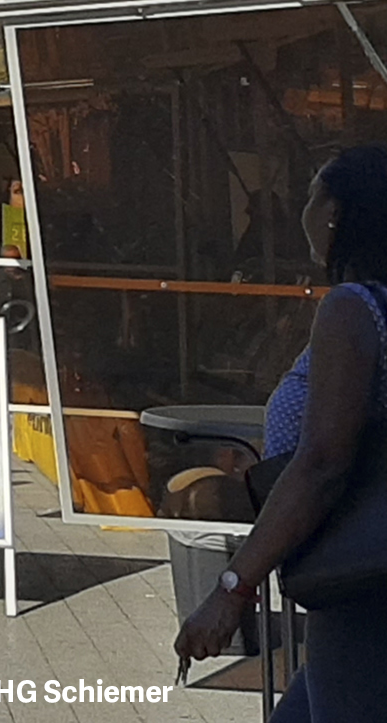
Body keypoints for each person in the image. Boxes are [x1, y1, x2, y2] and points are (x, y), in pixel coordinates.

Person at [178, 149, 387, 716]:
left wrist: (234, 589)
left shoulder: (354, 308)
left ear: (337, 214)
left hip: (359, 586)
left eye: (311, 195)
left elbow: (322, 464)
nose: (302, 211)